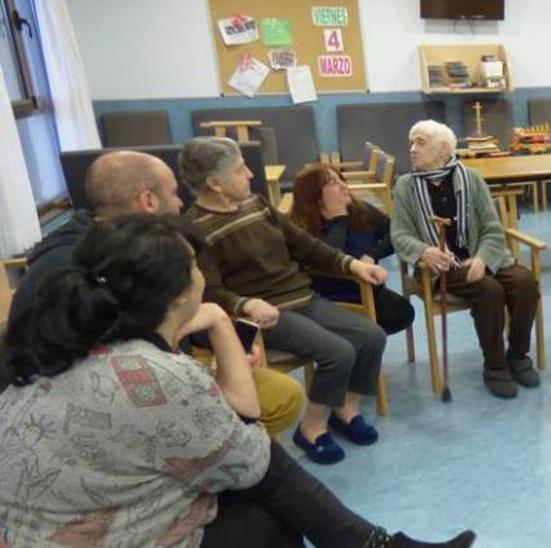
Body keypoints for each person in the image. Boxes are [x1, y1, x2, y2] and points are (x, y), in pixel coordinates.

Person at [0, 215, 474, 547]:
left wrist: (215, 321)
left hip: (36, 528)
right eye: (192, 265)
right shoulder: (156, 375)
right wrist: (224, 321)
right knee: (264, 513)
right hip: (95, 531)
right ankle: (374, 545)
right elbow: (250, 453)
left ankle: (374, 545)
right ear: (176, 292)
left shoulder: (72, 338)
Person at [4, 150, 305, 439]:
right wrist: (203, 369)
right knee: (262, 409)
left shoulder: (120, 244)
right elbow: (117, 362)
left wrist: (218, 343)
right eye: (175, 194)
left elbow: (157, 318)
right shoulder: (78, 266)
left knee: (281, 394)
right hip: (90, 405)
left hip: (155, 365)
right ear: (148, 201)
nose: (179, 204)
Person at [181, 137, 389, 465]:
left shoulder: (258, 204)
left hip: (303, 296)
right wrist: (244, 304)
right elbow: (209, 291)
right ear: (214, 183)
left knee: (371, 336)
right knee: (338, 352)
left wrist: (353, 264)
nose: (249, 174)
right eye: (239, 170)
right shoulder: (195, 228)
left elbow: (305, 245)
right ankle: (311, 429)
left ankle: (345, 411)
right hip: (266, 312)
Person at [390, 120, 540, 399]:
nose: (412, 149)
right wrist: (424, 251)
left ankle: (517, 356)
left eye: (420, 143)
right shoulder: (405, 187)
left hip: (482, 256)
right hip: (441, 268)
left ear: (444, 149)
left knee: (524, 282)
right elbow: (399, 234)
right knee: (489, 290)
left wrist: (483, 257)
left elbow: (492, 228)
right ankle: (495, 366)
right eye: (411, 142)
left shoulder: (471, 179)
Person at [288, 163, 416, 335]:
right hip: (327, 298)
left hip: (367, 291)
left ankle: (361, 344)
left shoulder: (360, 210)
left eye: (341, 179)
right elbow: (327, 258)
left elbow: (395, 234)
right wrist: (339, 219)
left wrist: (372, 254)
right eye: (333, 183)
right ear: (316, 195)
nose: (343, 185)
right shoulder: (300, 227)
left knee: (402, 312)